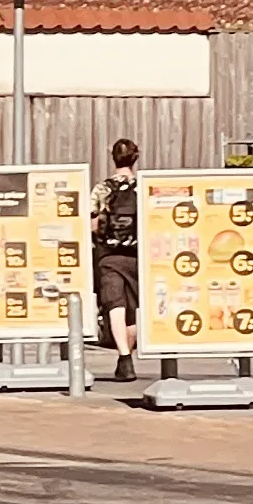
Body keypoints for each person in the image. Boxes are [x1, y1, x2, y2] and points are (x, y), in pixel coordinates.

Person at [94, 138, 143, 383]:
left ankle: (124, 358)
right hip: (136, 256)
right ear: (136, 157)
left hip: (109, 256)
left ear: (111, 156)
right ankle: (127, 358)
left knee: (115, 305)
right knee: (132, 311)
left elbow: (92, 222)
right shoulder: (142, 188)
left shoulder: (103, 189)